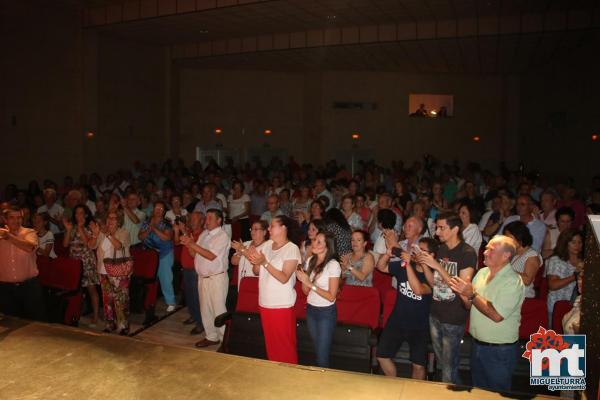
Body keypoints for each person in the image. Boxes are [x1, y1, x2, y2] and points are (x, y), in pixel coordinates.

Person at [449, 235, 524, 392]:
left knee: (497, 394)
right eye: (486, 248)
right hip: (477, 345)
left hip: (500, 351)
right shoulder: (482, 273)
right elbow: (470, 306)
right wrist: (462, 293)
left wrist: (471, 295)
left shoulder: (513, 281)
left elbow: (496, 315)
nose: (485, 252)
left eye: (491, 249)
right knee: (480, 392)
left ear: (506, 255)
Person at [417, 212, 476, 384]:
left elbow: (463, 289)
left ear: (455, 229)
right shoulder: (442, 249)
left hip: (453, 316)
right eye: (436, 227)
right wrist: (425, 264)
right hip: (435, 313)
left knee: (449, 368)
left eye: (441, 228)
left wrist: (436, 265)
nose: (437, 232)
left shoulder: (467, 253)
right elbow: (435, 284)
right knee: (443, 364)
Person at [376, 237, 437, 379]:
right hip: (397, 321)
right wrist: (387, 254)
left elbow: (418, 290)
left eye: (422, 250)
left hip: (419, 326)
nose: (416, 252)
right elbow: (381, 267)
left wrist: (407, 264)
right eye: (416, 249)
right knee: (381, 356)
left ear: (431, 255)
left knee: (418, 366)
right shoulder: (403, 266)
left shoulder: (432, 276)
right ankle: (394, 385)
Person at [244, 215, 302, 363]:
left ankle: (290, 378)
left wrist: (264, 262)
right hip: (265, 301)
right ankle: (275, 377)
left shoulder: (292, 248)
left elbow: (284, 278)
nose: (269, 228)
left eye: (272, 226)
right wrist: (254, 259)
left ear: (283, 228)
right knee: (271, 345)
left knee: (285, 345)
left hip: (281, 304)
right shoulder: (267, 244)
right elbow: (257, 271)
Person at [181, 209, 230, 348]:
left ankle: (224, 340)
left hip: (216, 278)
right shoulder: (204, 234)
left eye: (209, 218)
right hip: (203, 277)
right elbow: (193, 254)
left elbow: (211, 256)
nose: (206, 221)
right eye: (206, 218)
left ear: (219, 220)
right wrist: (189, 243)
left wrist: (192, 244)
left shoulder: (222, 236)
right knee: (205, 309)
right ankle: (211, 337)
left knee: (218, 310)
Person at [296, 231, 341, 368]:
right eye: (315, 240)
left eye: (319, 242)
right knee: (317, 350)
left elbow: (331, 296)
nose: (314, 243)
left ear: (328, 247)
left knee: (322, 356)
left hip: (326, 312)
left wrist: (310, 283)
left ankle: (324, 384)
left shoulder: (333, 265)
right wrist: (304, 279)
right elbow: (305, 291)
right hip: (311, 309)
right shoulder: (311, 260)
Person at [90, 210, 131, 334]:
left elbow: (119, 246)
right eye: (108, 218)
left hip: (119, 272)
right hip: (103, 271)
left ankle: (123, 326)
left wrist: (108, 235)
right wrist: (95, 234)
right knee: (107, 300)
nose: (110, 220)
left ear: (119, 221)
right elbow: (91, 246)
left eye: (113, 218)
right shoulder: (102, 233)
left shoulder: (123, 232)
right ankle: (110, 324)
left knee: (121, 300)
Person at [0, 206, 45, 321]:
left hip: (28, 287)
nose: (16, 221)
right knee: (10, 322)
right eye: (12, 218)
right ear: (4, 219)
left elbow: (29, 247)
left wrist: (9, 237)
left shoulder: (29, 232)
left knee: (35, 323)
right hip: (5, 288)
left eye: (19, 218)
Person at [63, 204, 100, 326]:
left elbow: (88, 243)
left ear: (86, 214)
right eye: (76, 213)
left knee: (91, 289)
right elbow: (65, 244)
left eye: (81, 213)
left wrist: (80, 228)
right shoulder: (72, 226)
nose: (78, 215)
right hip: (74, 262)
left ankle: (95, 316)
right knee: (76, 290)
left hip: (86, 261)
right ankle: (75, 314)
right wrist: (68, 230)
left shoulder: (90, 226)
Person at [139, 201, 176, 312]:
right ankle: (150, 301)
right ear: (153, 209)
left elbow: (167, 238)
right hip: (151, 254)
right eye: (156, 208)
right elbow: (140, 237)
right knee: (150, 278)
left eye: (161, 209)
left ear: (164, 212)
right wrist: (148, 230)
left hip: (165, 253)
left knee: (165, 278)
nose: (158, 210)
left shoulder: (166, 223)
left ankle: (171, 302)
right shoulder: (146, 222)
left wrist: (154, 228)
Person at [173, 211, 204, 335]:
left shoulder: (202, 234)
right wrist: (176, 231)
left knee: (197, 298)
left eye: (195, 219)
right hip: (186, 269)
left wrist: (184, 231)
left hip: (195, 270)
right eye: (191, 218)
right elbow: (176, 242)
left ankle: (200, 323)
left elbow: (194, 249)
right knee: (189, 297)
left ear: (201, 221)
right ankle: (194, 316)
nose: (192, 221)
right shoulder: (190, 232)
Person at [546, 229, 583, 327]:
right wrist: (575, 276)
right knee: (557, 340)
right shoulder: (556, 260)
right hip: (557, 306)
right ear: (566, 243)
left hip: (577, 309)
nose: (577, 245)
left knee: (573, 340)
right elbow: (552, 285)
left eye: (580, 242)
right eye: (573, 242)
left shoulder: (585, 261)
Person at [503, 221, 542, 298]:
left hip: (522, 297)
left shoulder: (531, 255)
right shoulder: (512, 252)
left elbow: (527, 280)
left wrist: (504, 269)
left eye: (510, 238)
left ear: (520, 238)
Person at [231, 219, 268, 288]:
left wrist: (242, 250)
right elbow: (233, 262)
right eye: (251, 229)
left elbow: (257, 263)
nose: (252, 232)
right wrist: (239, 253)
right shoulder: (245, 244)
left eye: (256, 229)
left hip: (257, 285)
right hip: (242, 283)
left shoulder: (267, 246)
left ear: (264, 232)